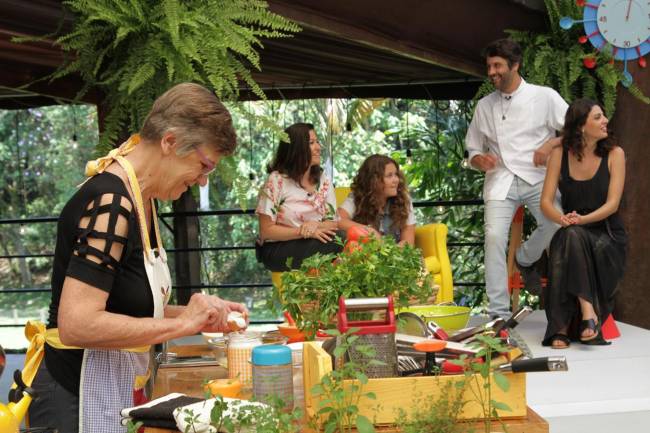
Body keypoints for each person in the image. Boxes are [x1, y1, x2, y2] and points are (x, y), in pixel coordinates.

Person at [27, 83, 249, 433]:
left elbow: (125, 305)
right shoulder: (112, 204)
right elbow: (76, 324)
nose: (203, 181)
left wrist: (199, 315)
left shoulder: (141, 198)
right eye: (204, 166)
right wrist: (182, 325)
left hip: (109, 384)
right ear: (170, 142)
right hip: (72, 400)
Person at [465, 38, 568, 319]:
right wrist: (480, 160)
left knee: (558, 222)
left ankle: (524, 258)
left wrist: (550, 146)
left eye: (497, 66)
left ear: (516, 65)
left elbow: (577, 126)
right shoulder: (484, 106)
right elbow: (472, 149)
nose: (491, 72)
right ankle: (498, 313)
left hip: (538, 178)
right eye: (489, 66)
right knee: (494, 237)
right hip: (500, 181)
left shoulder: (544, 96)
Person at [540, 98, 626, 348]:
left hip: (607, 235)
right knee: (569, 237)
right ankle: (587, 317)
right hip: (572, 230)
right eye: (598, 117)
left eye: (603, 116)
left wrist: (580, 220)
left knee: (571, 236)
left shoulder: (615, 154)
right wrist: (562, 218)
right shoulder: (559, 154)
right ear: (580, 126)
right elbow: (546, 202)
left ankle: (563, 327)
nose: (605, 121)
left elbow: (613, 205)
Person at [256, 122, 342, 271]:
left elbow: (332, 224)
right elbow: (266, 231)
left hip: (316, 243)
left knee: (342, 238)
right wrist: (303, 231)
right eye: (311, 143)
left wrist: (314, 226)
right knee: (335, 244)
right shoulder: (276, 180)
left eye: (317, 142)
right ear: (296, 148)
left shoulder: (323, 180)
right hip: (278, 248)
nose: (318, 147)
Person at [337, 154, 415, 246]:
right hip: (366, 255)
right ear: (374, 181)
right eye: (389, 176)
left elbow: (408, 243)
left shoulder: (404, 200)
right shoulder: (357, 197)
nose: (396, 180)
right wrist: (370, 232)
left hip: (394, 254)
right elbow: (337, 220)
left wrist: (393, 251)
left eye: (396, 175)